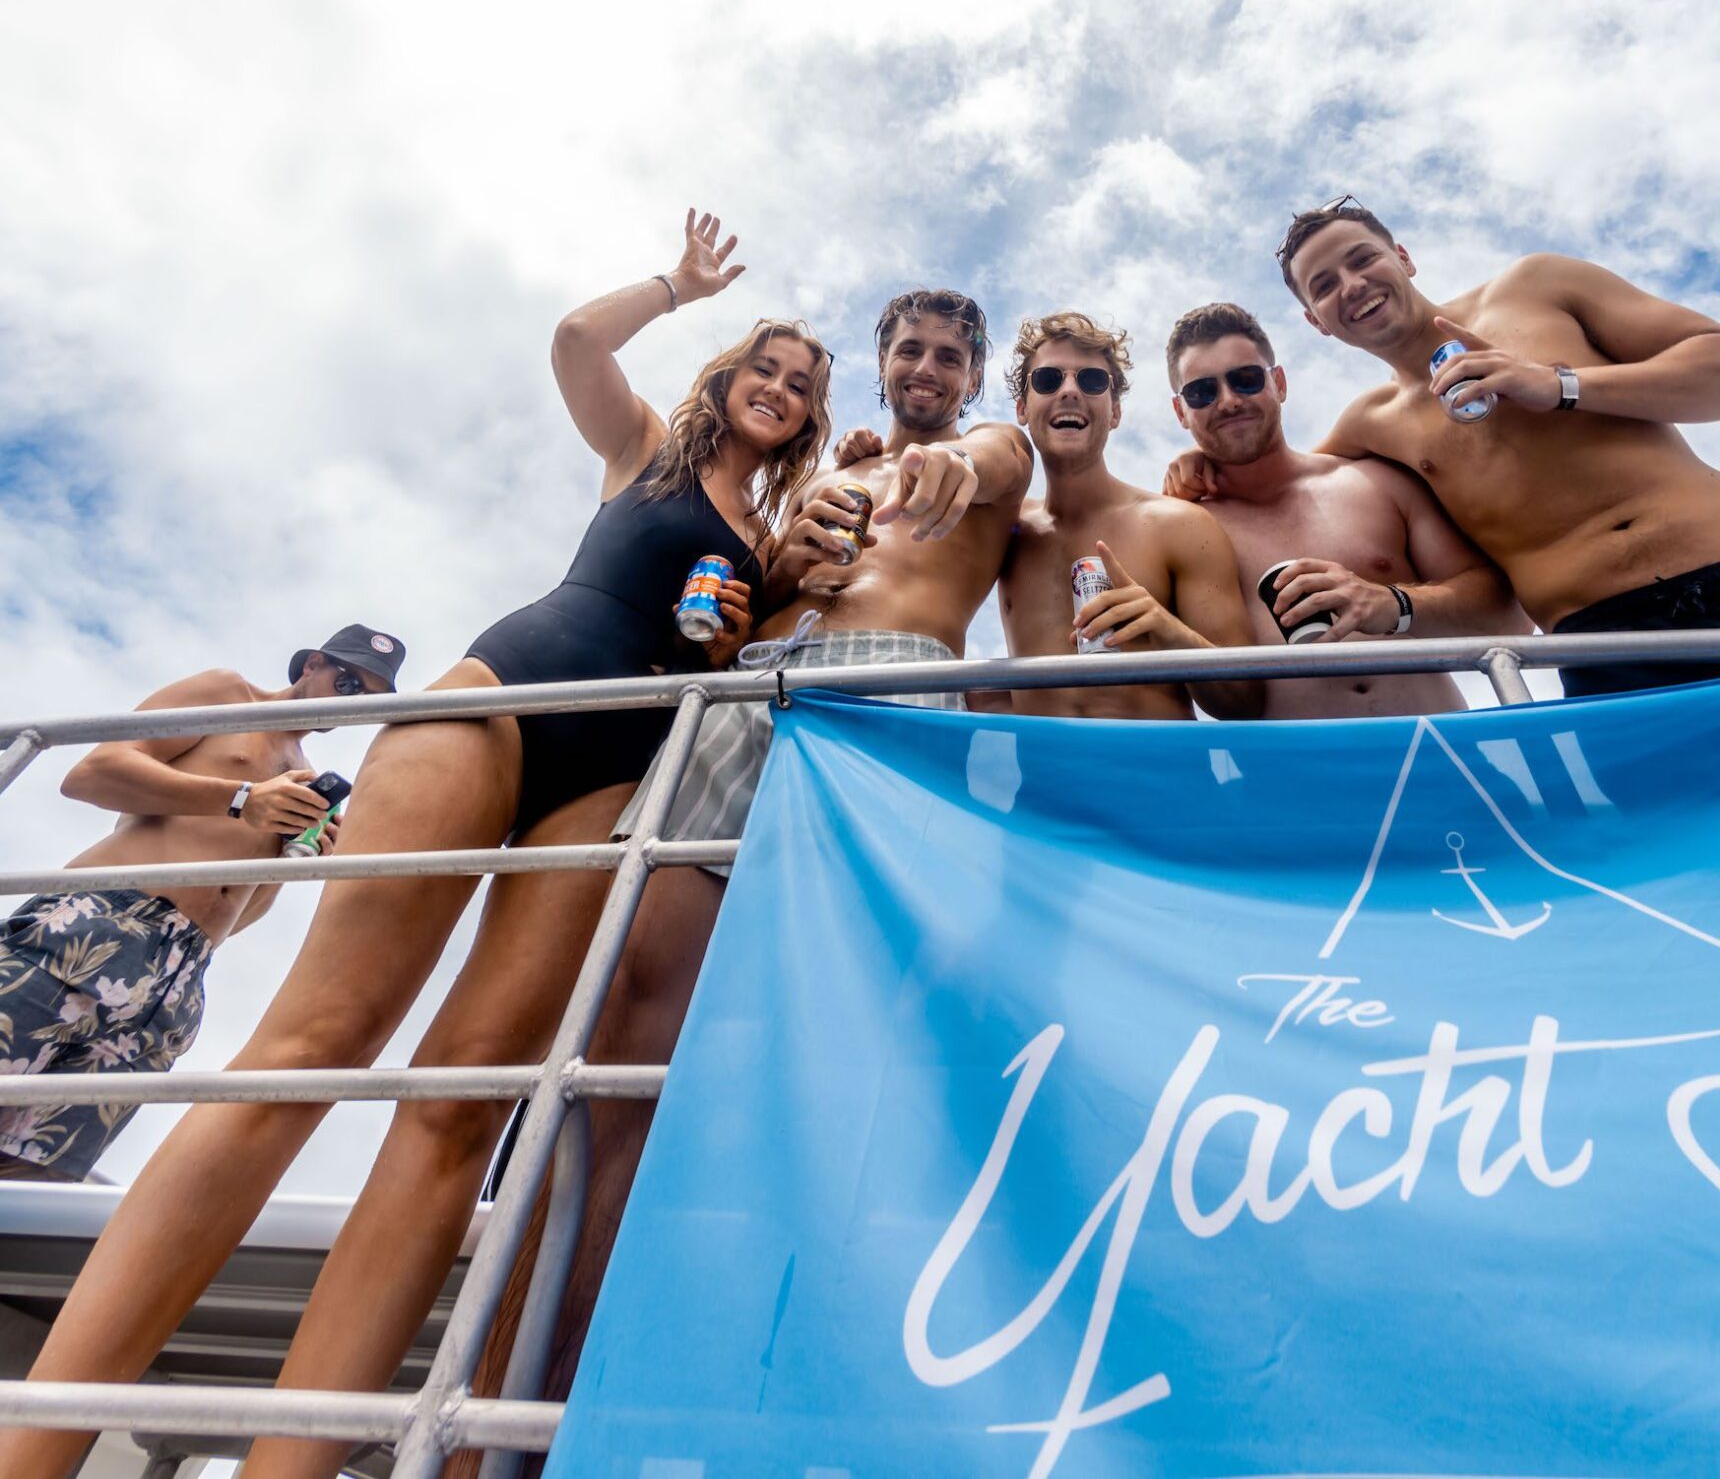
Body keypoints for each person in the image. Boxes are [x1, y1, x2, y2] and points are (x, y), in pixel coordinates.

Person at [0, 213, 828, 1479]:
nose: (781, 388)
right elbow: (572, 339)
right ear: (724, 382)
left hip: (610, 776)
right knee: (312, 1050)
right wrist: (678, 285)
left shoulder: (764, 555)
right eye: (765, 365)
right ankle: (35, 1450)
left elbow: (788, 628)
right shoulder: (646, 449)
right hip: (502, 699)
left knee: (456, 1114)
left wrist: (767, 595)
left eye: (805, 386)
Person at [467, 288, 1031, 1421]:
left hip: (886, 693)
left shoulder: (991, 446)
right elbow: (730, 603)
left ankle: (784, 1404)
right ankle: (514, 1419)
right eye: (908, 349)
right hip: (745, 694)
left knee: (850, 1047)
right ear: (881, 366)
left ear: (971, 376)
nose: (927, 366)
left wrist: (956, 461)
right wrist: (786, 569)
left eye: (949, 356)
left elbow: (994, 464)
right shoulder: (821, 483)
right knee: (627, 1027)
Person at [1169, 198, 1720, 697]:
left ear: (1402, 256)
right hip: (1604, 647)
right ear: (1316, 325)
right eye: (1323, 285)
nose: (1352, 285)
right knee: (1694, 871)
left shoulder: (1535, 290)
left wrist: (1559, 384)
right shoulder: (1369, 428)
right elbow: (1284, 477)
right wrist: (1201, 464)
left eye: (1361, 258)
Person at [0, 628, 403, 1183]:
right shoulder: (228, 693)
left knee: (36, 1175)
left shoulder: (301, 779)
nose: (353, 699)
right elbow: (91, 774)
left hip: (180, 975)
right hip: (102, 920)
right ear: (313, 664)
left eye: (370, 698)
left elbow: (238, 912)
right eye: (349, 680)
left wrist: (291, 858)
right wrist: (240, 799)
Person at [1163, 302, 1522, 717]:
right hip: (1297, 773)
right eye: (1201, 392)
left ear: (1278, 383)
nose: (1227, 402)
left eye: (1245, 380)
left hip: (1445, 757)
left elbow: (1506, 618)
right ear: (1180, 412)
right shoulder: (1185, 527)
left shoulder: (1375, 483)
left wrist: (1392, 604)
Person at [996, 311, 1263, 721]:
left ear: (1115, 412)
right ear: (1022, 408)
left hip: (1163, 779)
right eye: (1049, 380)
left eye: (1091, 381)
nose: (1069, 391)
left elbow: (1245, 701)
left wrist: (1167, 630)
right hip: (1041, 784)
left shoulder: (1180, 525)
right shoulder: (1002, 531)